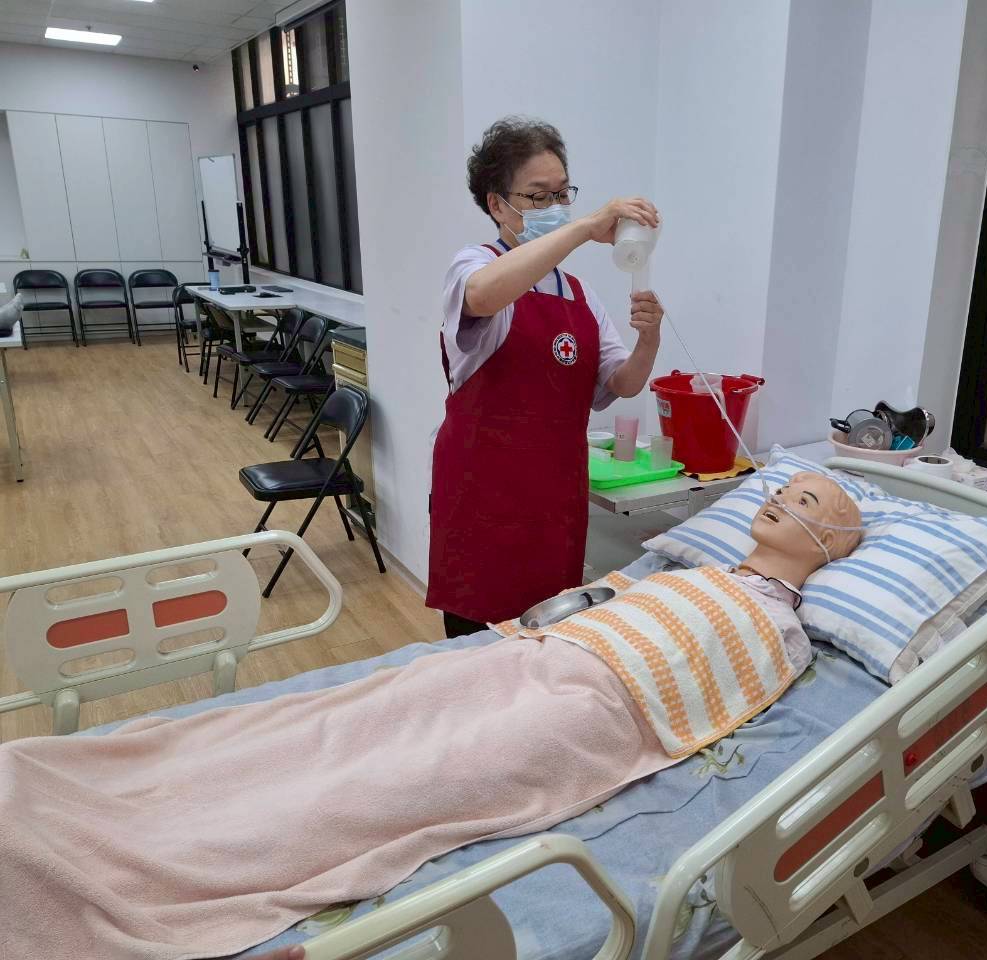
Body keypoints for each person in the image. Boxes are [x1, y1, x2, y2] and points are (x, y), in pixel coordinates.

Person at [2, 475, 860, 960]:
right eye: (789, 489)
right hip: (513, 662)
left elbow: (716, 702)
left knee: (404, 781)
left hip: (596, 711)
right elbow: (576, 608)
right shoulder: (680, 574)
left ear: (839, 546)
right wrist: (523, 637)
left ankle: (164, 871)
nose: (786, 500)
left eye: (814, 505)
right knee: (331, 724)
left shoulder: (785, 632)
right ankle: (106, 810)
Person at [426, 116, 665, 638]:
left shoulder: (578, 293)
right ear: (496, 205)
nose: (555, 207)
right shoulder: (475, 265)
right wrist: (584, 229)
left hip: (554, 499)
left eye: (562, 193)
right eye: (538, 197)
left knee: (546, 637)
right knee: (478, 644)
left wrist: (648, 340)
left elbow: (622, 383)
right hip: (483, 499)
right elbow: (483, 295)